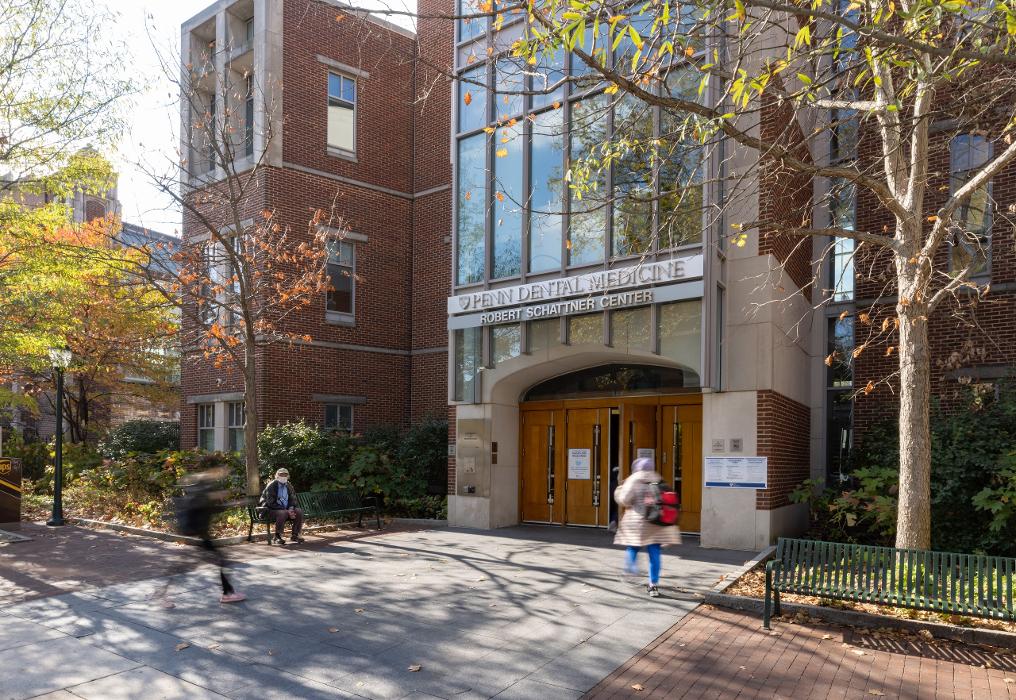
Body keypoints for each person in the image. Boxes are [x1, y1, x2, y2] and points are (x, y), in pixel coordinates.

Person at [160, 462, 246, 606]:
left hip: (200, 531)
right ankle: (227, 594)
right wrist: (213, 496)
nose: (224, 473)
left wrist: (230, 504)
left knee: (189, 564)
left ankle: (227, 593)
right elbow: (197, 503)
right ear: (215, 468)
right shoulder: (204, 481)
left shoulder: (207, 482)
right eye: (223, 470)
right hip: (196, 529)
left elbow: (210, 509)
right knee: (219, 561)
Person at [614, 457, 681, 598]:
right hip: (656, 521)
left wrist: (619, 489)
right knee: (654, 552)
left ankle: (630, 572)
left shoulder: (634, 479)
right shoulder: (658, 478)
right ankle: (653, 585)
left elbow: (624, 500)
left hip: (637, 522)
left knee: (633, 547)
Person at [260, 468, 304, 545]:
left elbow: (293, 499)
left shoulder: (289, 485)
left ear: (288, 476)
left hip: (284, 510)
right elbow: (270, 503)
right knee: (282, 513)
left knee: (299, 511)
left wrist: (291, 508)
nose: (283, 476)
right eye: (281, 474)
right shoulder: (271, 485)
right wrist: (286, 510)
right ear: (277, 476)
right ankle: (277, 537)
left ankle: (295, 535)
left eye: (285, 475)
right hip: (269, 510)